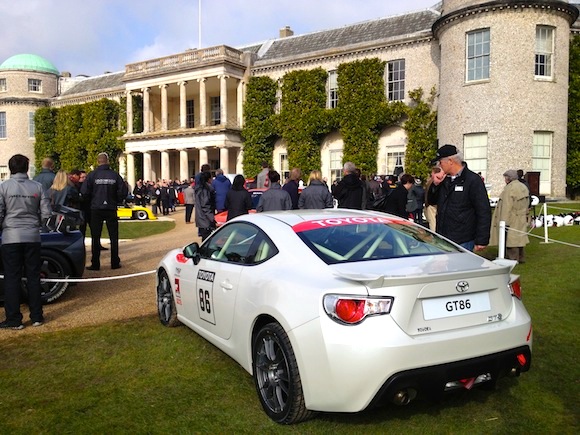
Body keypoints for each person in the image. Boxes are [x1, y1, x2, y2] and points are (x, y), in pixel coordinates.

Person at [0, 154, 52, 330]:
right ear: (26, 167)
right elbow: (46, 213)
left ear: (10, 168)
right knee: (33, 277)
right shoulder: (37, 187)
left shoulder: (4, 187)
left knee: (12, 278)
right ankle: (37, 316)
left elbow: (0, 212)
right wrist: (37, 224)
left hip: (11, 236)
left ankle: (14, 319)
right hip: (32, 236)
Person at [427, 144, 491, 251]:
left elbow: (483, 210)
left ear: (450, 161)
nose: (439, 165)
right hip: (443, 235)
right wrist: (435, 185)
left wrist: (482, 239)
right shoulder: (445, 180)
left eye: (441, 162)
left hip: (463, 238)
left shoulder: (472, 180)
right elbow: (432, 201)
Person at [81, 152, 128, 270]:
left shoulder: (92, 175)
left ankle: (96, 263)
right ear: (107, 161)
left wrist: (91, 200)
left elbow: (84, 192)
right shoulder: (115, 175)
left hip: (96, 208)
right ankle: (114, 262)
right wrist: (117, 200)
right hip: (111, 208)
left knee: (95, 237)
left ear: (98, 162)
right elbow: (123, 191)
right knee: (113, 236)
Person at [489, 170, 530, 263]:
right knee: (519, 237)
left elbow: (507, 206)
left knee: (511, 240)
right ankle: (521, 257)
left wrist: (503, 222)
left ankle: (512, 259)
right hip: (521, 216)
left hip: (512, 217)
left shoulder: (509, 189)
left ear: (508, 178)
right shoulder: (523, 186)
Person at [194, 168, 216, 241]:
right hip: (205, 219)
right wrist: (212, 218)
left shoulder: (199, 189)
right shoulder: (205, 190)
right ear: (209, 179)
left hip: (201, 217)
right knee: (207, 240)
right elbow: (205, 206)